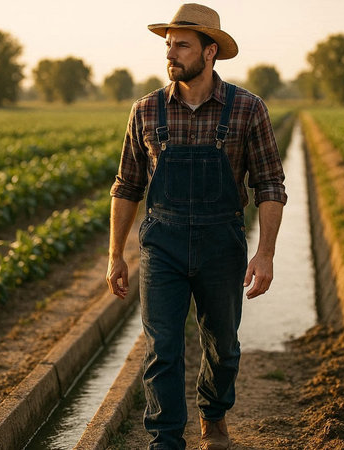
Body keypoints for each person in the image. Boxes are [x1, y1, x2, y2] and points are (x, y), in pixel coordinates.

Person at [106, 3, 287, 449]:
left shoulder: (248, 109)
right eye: (169, 44)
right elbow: (126, 186)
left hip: (222, 243)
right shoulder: (146, 110)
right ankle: (166, 439)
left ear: (210, 53)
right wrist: (115, 255)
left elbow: (269, 185)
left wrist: (264, 253)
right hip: (161, 244)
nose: (172, 53)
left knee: (222, 346)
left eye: (182, 45)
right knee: (162, 348)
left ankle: (213, 411)